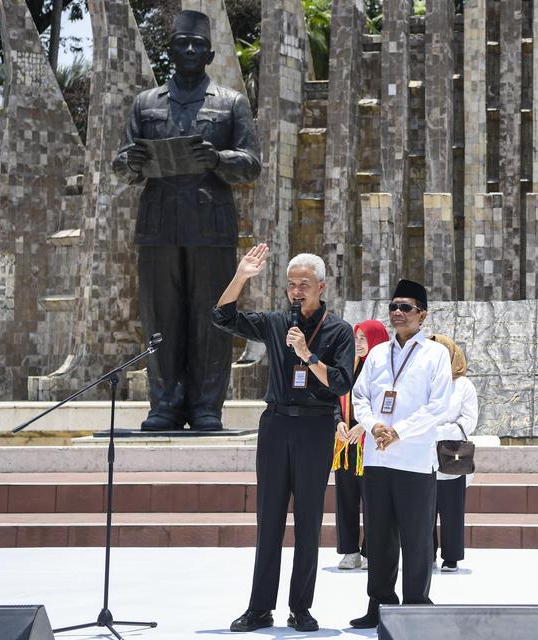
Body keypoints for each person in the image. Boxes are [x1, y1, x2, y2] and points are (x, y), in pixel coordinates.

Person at [114, 10, 261, 432]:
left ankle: (205, 407)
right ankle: (165, 405)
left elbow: (251, 164)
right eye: (183, 43)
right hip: (159, 225)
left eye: (199, 45)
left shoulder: (230, 102)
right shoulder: (146, 103)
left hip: (211, 227)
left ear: (210, 53)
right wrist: (131, 160)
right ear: (171, 50)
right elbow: (122, 165)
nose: (192, 50)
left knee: (210, 318)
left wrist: (218, 159)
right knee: (162, 317)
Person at [212, 243, 354, 633]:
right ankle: (259, 608)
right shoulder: (276, 322)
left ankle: (301, 607)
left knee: (308, 520)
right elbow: (222, 317)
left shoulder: (339, 330)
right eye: (291, 284)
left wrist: (308, 355)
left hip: (316, 426)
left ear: (322, 286)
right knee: (269, 519)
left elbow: (341, 382)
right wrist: (241, 275)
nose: (296, 290)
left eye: (304, 284)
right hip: (276, 425)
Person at [346, 279, 454, 629]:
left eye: (405, 307)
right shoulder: (378, 354)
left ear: (422, 314)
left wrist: (399, 431)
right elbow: (360, 396)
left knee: (417, 538)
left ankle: (417, 605)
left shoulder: (435, 354)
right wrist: (375, 425)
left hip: (414, 459)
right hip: (378, 459)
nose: (397, 313)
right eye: (393, 307)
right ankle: (379, 604)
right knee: (378, 537)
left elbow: (439, 405)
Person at [333, 319, 390, 570]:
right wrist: (338, 423)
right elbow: (334, 398)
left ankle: (371, 551)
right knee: (345, 498)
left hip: (372, 443)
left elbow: (388, 406)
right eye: (356, 338)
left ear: (376, 340)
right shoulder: (348, 366)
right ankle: (349, 551)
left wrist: (363, 426)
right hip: (346, 445)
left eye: (363, 338)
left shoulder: (385, 370)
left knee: (373, 499)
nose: (358, 343)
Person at [428, 334, 478, 573]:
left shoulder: (463, 385)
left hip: (450, 455)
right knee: (422, 511)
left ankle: (451, 557)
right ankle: (426, 554)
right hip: (423, 454)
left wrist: (438, 431)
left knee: (452, 510)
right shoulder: (422, 381)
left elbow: (468, 420)